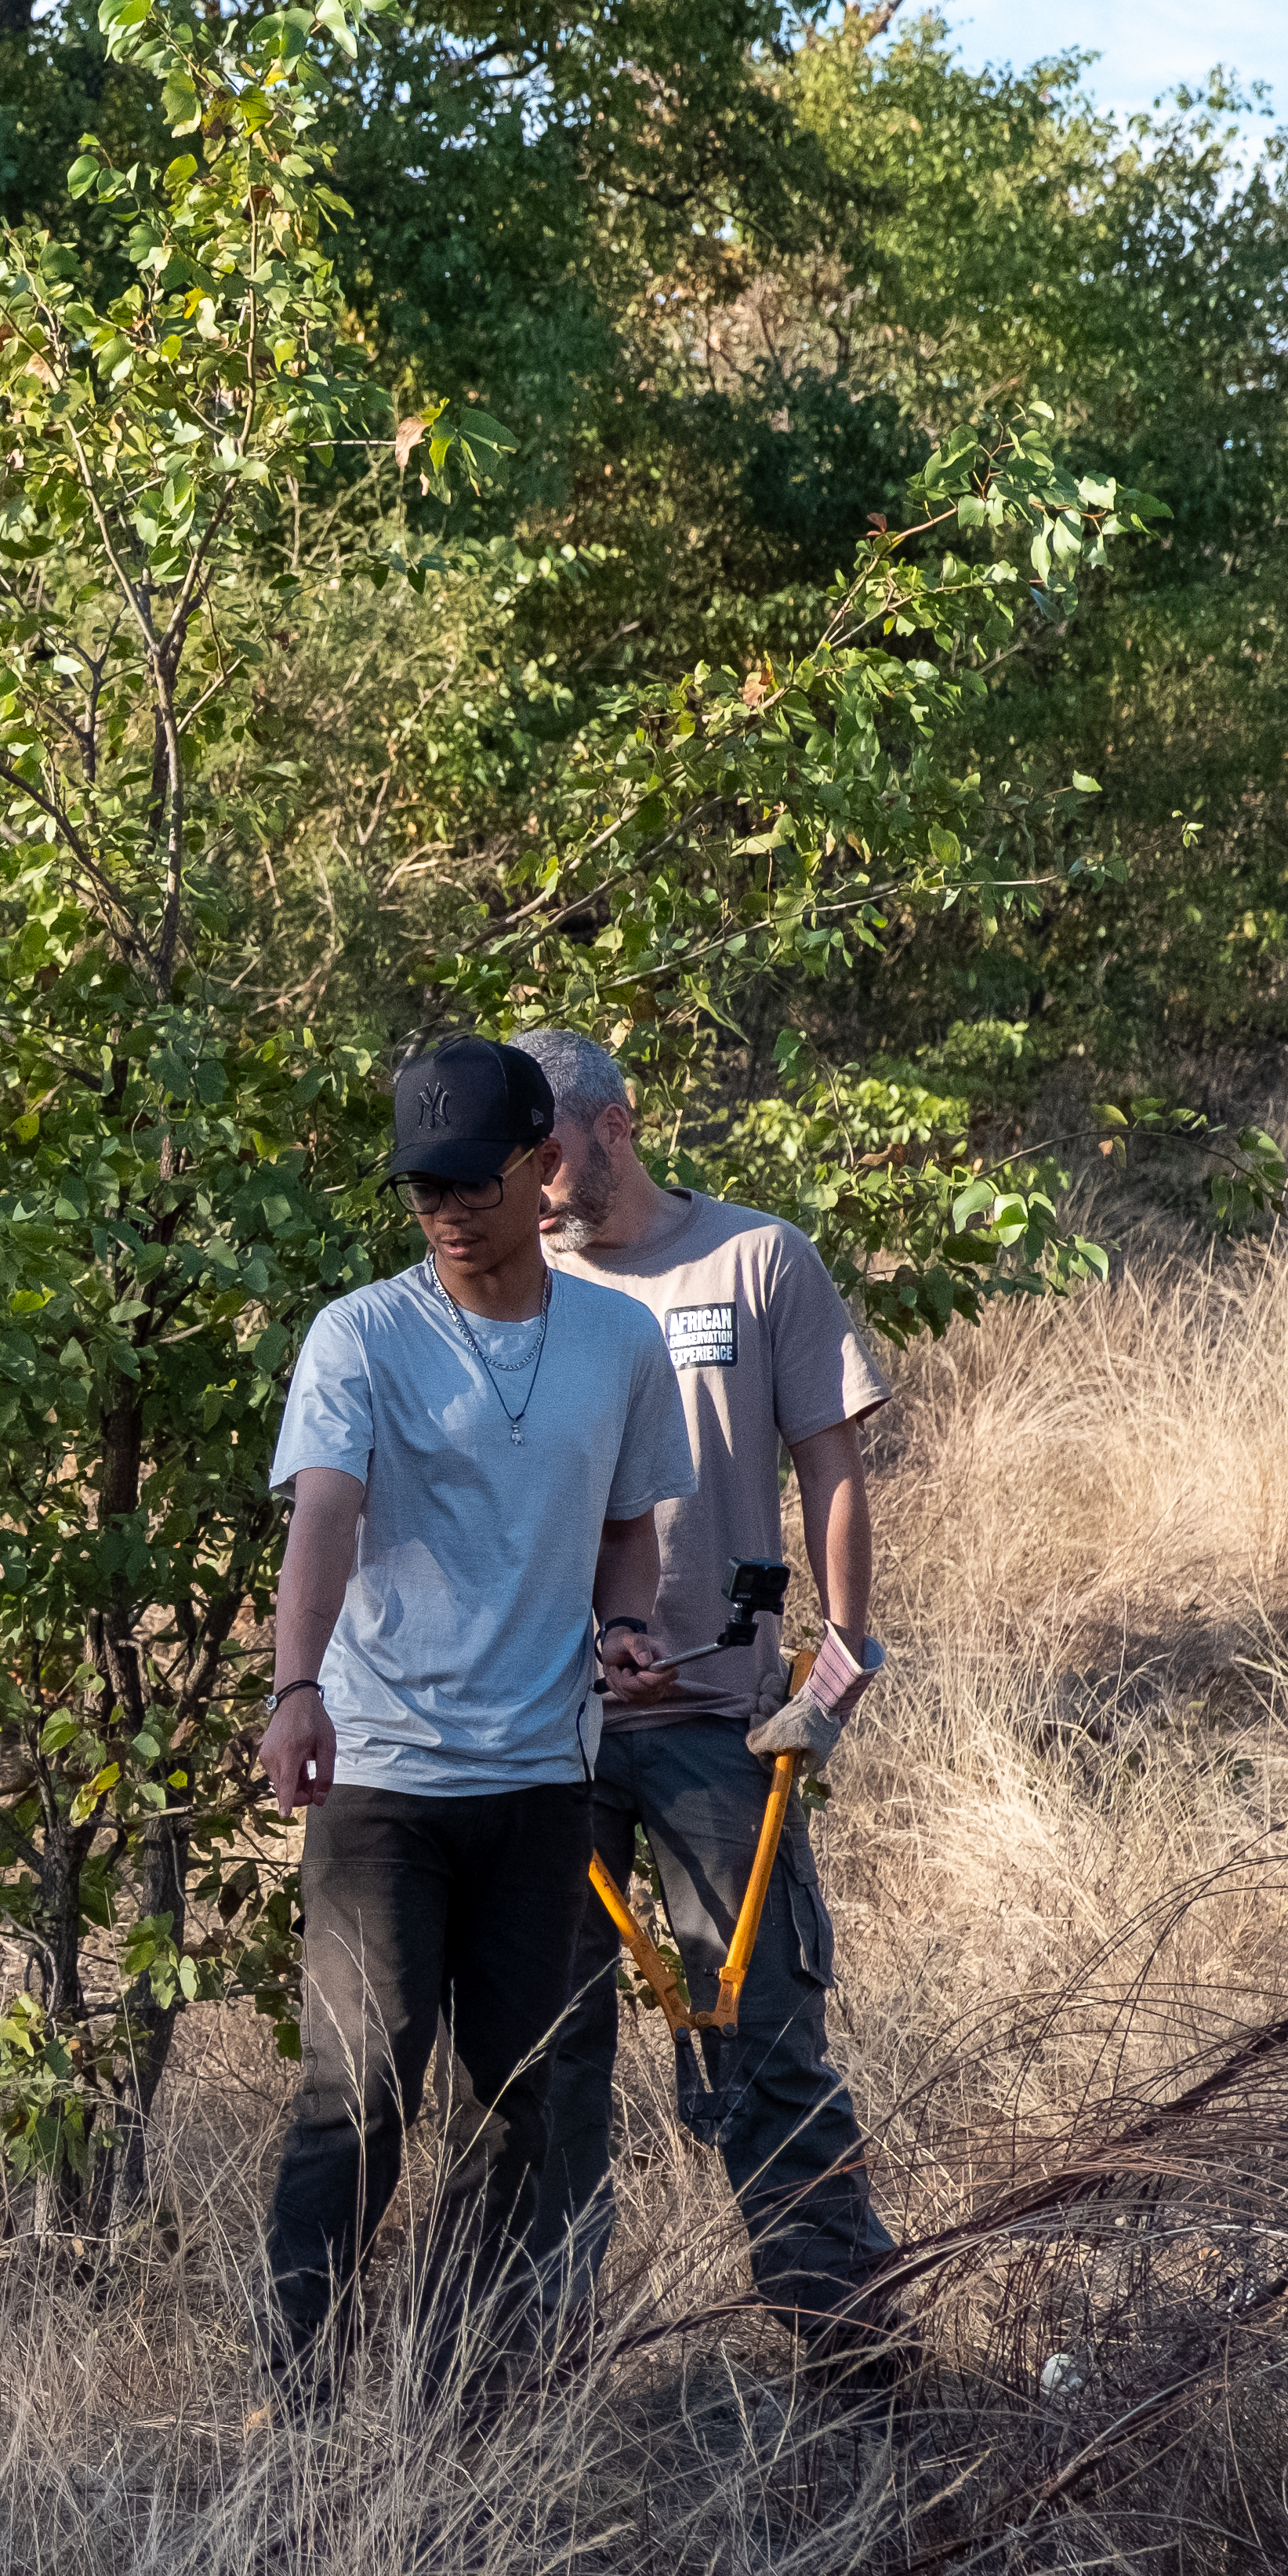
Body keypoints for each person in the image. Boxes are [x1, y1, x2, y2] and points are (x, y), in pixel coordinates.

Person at [254, 1039, 688, 2398]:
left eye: (470, 1178)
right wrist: (295, 1686)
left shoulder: (618, 1342)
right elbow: (323, 1512)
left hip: (543, 1779)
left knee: (516, 2109)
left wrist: (627, 1629)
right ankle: (300, 2388)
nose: (444, 1208)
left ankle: (450, 2392)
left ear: (542, 1167)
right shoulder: (361, 1335)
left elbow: (631, 1532)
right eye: (420, 1186)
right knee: (363, 2088)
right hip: (383, 1772)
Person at [514, 1025, 904, 2372]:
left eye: (549, 1153)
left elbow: (832, 1462)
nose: (535, 1185)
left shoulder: (755, 1258)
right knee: (536, 2066)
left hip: (717, 1726)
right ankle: (530, 2370)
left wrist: (840, 1667)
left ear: (614, 1122)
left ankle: (848, 2351)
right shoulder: (509, 1285)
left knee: (768, 2045)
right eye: (517, 1162)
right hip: (541, 1733)